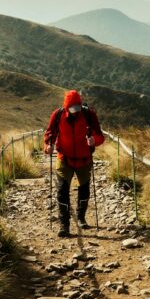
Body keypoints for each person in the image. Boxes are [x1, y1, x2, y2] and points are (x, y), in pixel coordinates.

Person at [43, 89, 105, 237]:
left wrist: (94, 140)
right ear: (66, 106)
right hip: (64, 158)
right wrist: (48, 147)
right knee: (62, 191)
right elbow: (50, 134)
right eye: (72, 108)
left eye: (77, 107)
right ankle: (64, 225)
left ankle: (81, 217)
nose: (75, 111)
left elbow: (100, 135)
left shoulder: (89, 115)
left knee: (84, 189)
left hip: (84, 159)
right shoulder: (57, 115)